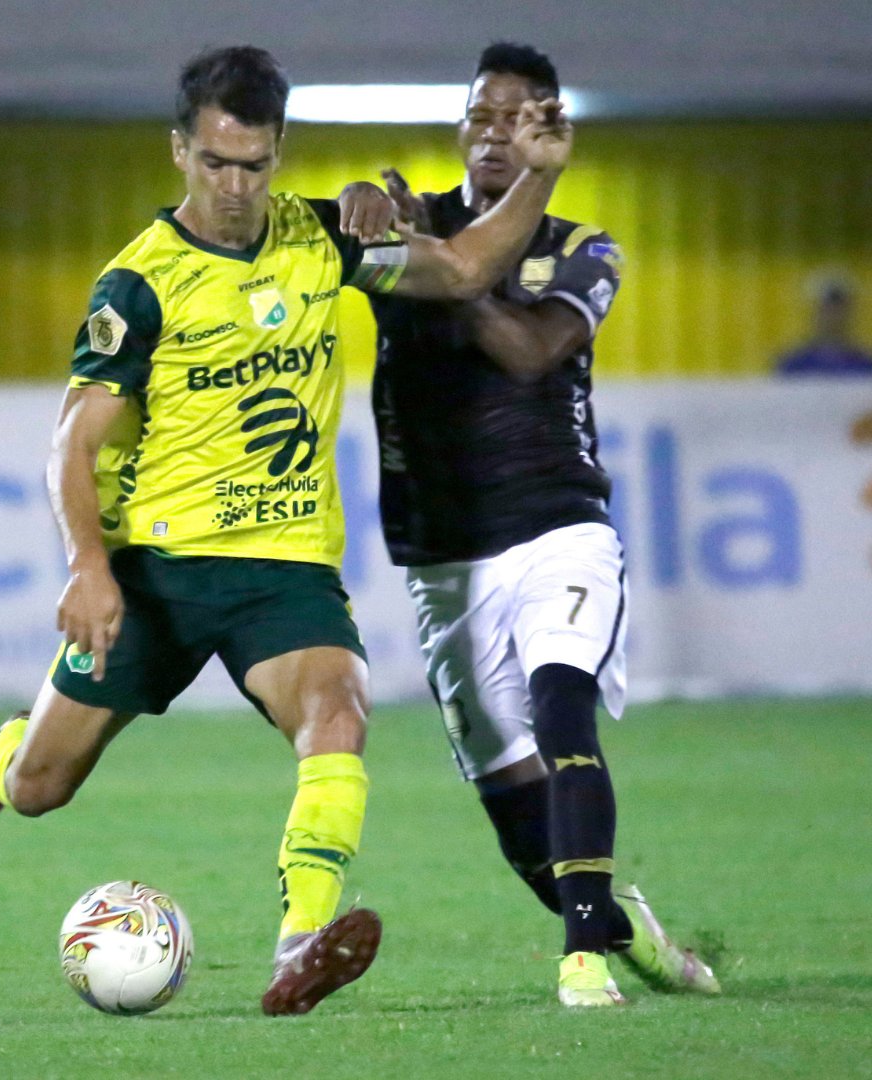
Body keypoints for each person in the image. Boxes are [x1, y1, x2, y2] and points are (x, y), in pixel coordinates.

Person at [0, 44, 574, 1016]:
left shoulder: (324, 241)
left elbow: (465, 267)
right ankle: (6, 760)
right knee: (44, 787)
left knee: (339, 712)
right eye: (216, 162)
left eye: (256, 164)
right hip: (160, 570)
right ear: (179, 150)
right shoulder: (138, 285)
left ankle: (300, 940)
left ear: (279, 153)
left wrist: (538, 174)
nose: (236, 187)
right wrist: (88, 567)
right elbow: (73, 440)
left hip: (285, 568)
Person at [368, 41, 721, 1006]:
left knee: (561, 704)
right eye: (479, 116)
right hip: (444, 557)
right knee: (514, 815)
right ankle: (630, 936)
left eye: (515, 119)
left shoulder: (582, 247)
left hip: (557, 527)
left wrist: (447, 269)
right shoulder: (404, 223)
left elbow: (529, 353)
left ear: (550, 130)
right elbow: (334, 244)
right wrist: (363, 210)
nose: (493, 134)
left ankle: (582, 961)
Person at [775, 275, 872, 376]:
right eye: (826, 308)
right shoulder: (794, 364)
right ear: (814, 312)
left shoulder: (865, 364)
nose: (833, 314)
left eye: (839, 308)